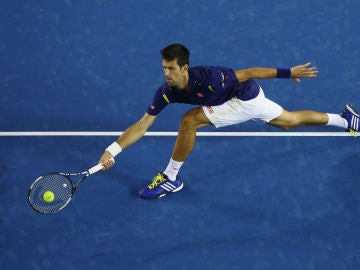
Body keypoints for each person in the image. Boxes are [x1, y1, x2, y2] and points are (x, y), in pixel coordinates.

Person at [98, 43, 359, 199]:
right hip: (235, 101)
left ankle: (171, 177)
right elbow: (143, 124)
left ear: (185, 68)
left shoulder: (213, 78)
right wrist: (112, 150)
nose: (166, 73)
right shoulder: (166, 91)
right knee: (288, 120)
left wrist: (288, 72)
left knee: (189, 121)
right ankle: (346, 120)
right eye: (164, 68)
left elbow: (250, 72)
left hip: (244, 99)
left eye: (171, 68)